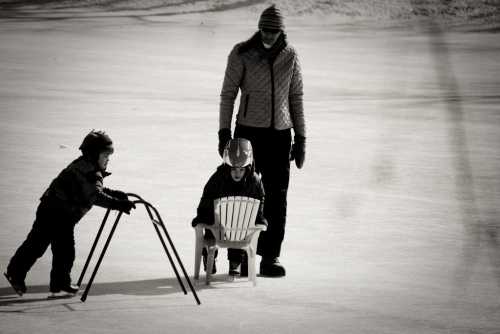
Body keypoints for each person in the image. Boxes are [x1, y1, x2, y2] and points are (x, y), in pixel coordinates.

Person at [217, 4, 306, 277]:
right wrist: (224, 133)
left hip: (280, 135)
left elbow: (296, 98)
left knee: (277, 197)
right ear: (259, 29)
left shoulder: (290, 56)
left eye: (273, 31)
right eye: (264, 30)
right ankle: (239, 254)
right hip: (248, 134)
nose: (268, 35)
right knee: (242, 194)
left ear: (281, 31)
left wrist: (301, 137)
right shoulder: (242, 53)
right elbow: (228, 95)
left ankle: (270, 256)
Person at [4, 130, 136, 297]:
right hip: (55, 211)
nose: (108, 159)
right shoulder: (87, 171)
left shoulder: (88, 168)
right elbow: (95, 195)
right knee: (40, 245)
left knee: (61, 249)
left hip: (60, 211)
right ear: (94, 154)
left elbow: (94, 190)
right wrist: (116, 204)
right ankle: (16, 273)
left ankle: (58, 282)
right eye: (105, 155)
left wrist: (116, 195)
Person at [192, 138, 267, 276]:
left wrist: (259, 217)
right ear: (227, 167)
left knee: (240, 223)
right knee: (209, 221)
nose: (237, 173)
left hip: (240, 228)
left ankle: (235, 261)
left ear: (247, 168)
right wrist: (201, 216)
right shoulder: (218, 178)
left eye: (241, 170)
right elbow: (207, 198)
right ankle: (209, 255)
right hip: (217, 226)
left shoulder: (253, 181)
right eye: (233, 169)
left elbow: (260, 199)